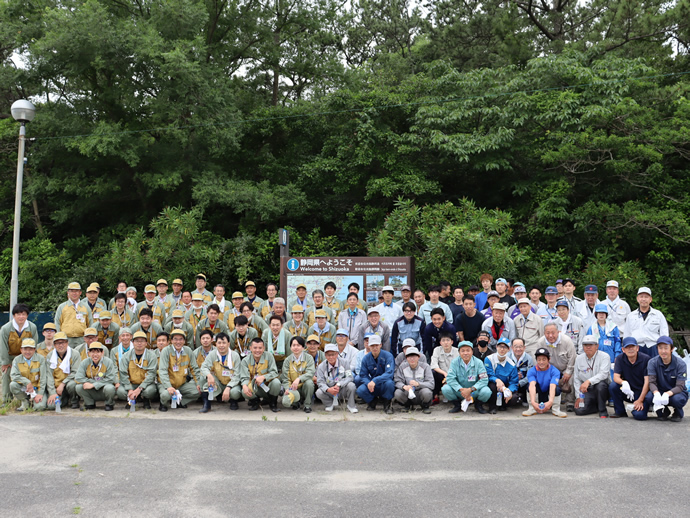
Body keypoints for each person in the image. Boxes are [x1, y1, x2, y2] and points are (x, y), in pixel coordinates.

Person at [1, 303, 40, 402]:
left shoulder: (32, 327)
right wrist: (5, 362)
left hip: (26, 356)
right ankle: (6, 400)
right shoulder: (6, 328)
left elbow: (35, 344)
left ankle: (28, 397)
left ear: (27, 315)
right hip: (10, 356)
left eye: (23, 314)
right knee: (6, 375)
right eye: (18, 314)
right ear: (14, 315)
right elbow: (3, 346)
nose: (21, 317)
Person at [644, 336, 688, 422]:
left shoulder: (680, 364)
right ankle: (663, 412)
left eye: (666, 348)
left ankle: (677, 412)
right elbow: (652, 382)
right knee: (649, 397)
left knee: (677, 399)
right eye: (660, 348)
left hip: (676, 392)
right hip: (660, 390)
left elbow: (680, 386)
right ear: (657, 349)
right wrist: (656, 393)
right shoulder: (652, 362)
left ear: (672, 349)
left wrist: (668, 394)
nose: (663, 351)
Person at [534, 323, 577, 412]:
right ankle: (548, 401)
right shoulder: (540, 342)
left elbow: (572, 357)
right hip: (550, 369)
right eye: (547, 333)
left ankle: (570, 402)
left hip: (565, 368)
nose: (550, 336)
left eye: (553, 333)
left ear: (558, 332)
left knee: (572, 376)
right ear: (544, 333)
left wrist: (568, 372)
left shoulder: (567, 341)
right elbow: (538, 360)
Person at [442, 340, 491, 414]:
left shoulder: (478, 362)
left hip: (474, 391)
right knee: (445, 389)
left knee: (486, 391)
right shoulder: (454, 362)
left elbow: (484, 379)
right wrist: (462, 390)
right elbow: (450, 378)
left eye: (468, 350)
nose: (465, 353)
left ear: (472, 351)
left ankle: (478, 405)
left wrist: (470, 390)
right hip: (460, 391)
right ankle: (457, 405)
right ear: (459, 352)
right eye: (463, 351)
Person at [157, 329, 201, 411]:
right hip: (167, 384)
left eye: (181, 339)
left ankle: (180, 401)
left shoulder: (188, 350)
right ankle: (163, 403)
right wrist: (168, 386)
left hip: (181, 384)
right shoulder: (166, 351)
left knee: (199, 390)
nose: (178, 342)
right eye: (175, 339)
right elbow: (162, 371)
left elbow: (194, 369)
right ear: (171, 341)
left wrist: (198, 383)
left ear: (184, 341)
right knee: (165, 395)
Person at [609, 337, 651, 420]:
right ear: (623, 349)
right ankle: (620, 411)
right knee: (613, 386)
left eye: (633, 346)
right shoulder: (620, 359)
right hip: (628, 391)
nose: (630, 349)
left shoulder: (646, 359)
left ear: (637, 348)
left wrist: (640, 400)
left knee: (639, 416)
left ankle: (638, 408)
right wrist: (624, 383)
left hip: (642, 392)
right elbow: (616, 377)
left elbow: (647, 382)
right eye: (627, 347)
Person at [199, 332, 243, 411]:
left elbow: (237, 375)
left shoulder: (235, 355)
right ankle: (207, 403)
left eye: (224, 343)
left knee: (235, 392)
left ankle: (233, 401)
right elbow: (204, 367)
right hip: (219, 382)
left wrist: (228, 387)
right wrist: (209, 376)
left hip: (232, 383)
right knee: (203, 377)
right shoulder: (212, 354)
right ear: (215, 344)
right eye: (219, 343)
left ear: (228, 344)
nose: (221, 345)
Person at [116, 330, 158, 409]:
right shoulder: (126, 356)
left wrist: (139, 389)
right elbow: (123, 373)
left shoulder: (151, 356)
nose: (139, 343)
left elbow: (151, 374)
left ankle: (146, 399)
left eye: (142, 341)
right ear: (133, 342)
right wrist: (129, 389)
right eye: (137, 341)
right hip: (131, 383)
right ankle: (132, 399)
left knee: (150, 391)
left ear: (146, 343)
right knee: (120, 392)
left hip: (146, 384)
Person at [355, 335, 395, 414]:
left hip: (384, 383)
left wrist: (375, 380)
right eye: (372, 345)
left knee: (390, 383)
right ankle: (372, 401)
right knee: (360, 390)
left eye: (376, 345)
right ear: (369, 346)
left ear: (381, 345)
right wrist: (368, 383)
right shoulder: (366, 358)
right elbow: (363, 375)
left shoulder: (388, 356)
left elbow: (389, 373)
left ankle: (387, 404)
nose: (374, 348)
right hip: (372, 384)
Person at [572, 335, 611, 418]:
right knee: (579, 410)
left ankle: (602, 410)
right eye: (586, 345)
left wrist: (588, 381)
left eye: (591, 345)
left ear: (597, 346)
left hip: (602, 389)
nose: (588, 347)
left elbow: (603, 374)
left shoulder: (605, 356)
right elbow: (576, 378)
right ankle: (594, 406)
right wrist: (579, 396)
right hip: (587, 390)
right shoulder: (579, 358)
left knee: (600, 386)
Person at [624, 287, 669, 357]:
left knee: (655, 367)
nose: (643, 299)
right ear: (637, 299)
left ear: (650, 299)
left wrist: (662, 348)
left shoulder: (658, 314)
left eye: (646, 297)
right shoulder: (631, 316)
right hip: (636, 347)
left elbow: (664, 333)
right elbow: (627, 335)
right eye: (641, 297)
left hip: (654, 347)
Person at [522, 347, 567, 418]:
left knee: (557, 389)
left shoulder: (555, 371)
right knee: (529, 386)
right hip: (538, 395)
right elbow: (532, 385)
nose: (541, 362)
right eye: (539, 360)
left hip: (549, 395)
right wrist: (533, 402)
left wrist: (550, 402)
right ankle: (532, 408)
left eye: (544, 359)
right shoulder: (531, 371)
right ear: (536, 360)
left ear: (549, 359)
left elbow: (552, 386)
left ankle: (556, 410)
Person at [239, 337, 281, 412]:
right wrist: (244, 385)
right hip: (255, 387)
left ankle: (273, 402)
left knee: (276, 382)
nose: (257, 350)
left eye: (260, 348)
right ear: (250, 348)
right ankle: (255, 401)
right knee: (244, 390)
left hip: (268, 386)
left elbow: (274, 372)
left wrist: (264, 377)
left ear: (264, 348)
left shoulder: (269, 356)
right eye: (255, 348)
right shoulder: (245, 361)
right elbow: (244, 377)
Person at [75, 341, 117, 411]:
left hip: (103, 389)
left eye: (98, 352)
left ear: (102, 353)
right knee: (78, 387)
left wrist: (94, 384)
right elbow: (78, 377)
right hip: (91, 390)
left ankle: (109, 403)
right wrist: (90, 382)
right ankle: (89, 403)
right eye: (92, 352)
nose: (95, 355)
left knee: (110, 388)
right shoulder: (84, 362)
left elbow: (111, 379)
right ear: (89, 353)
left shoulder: (108, 362)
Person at [316, 343, 358, 413]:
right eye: (328, 355)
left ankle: (351, 405)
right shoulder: (321, 366)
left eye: (333, 354)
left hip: (342, 388)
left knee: (351, 385)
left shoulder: (345, 362)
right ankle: (329, 404)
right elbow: (320, 382)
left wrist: (339, 384)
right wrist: (328, 389)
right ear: (325, 356)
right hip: (330, 390)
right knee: (319, 392)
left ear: (337, 354)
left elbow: (350, 377)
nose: (331, 357)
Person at [9, 339, 49, 411]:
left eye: (30, 349)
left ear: (34, 350)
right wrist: (27, 382)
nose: (27, 352)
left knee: (39, 407)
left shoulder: (41, 359)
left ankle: (35, 401)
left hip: (37, 388)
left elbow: (43, 378)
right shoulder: (16, 360)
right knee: (13, 385)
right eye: (25, 349)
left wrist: (40, 393)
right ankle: (25, 401)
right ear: (21, 350)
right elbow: (14, 375)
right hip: (24, 387)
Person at [45, 332, 81, 410]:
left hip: (68, 383)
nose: (61, 345)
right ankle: (64, 399)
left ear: (67, 343)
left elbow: (76, 372)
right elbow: (49, 375)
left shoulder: (75, 354)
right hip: (56, 386)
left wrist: (63, 383)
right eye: (58, 343)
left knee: (72, 385)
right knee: (51, 406)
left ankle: (74, 400)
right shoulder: (50, 356)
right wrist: (52, 393)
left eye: (63, 342)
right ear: (54, 345)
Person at [280, 336, 316, 412]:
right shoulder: (287, 360)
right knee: (286, 402)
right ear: (290, 347)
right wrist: (287, 389)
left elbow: (310, 372)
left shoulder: (308, 358)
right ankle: (296, 403)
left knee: (309, 383)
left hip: (304, 387)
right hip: (293, 388)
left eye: (298, 345)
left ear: (303, 347)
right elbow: (285, 378)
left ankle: (307, 405)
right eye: (293, 345)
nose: (296, 347)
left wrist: (299, 379)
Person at [484, 337, 520, 413]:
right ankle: (492, 407)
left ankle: (503, 405)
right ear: (496, 347)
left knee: (514, 397)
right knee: (492, 387)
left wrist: (509, 390)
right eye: (500, 346)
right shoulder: (489, 359)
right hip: (493, 384)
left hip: (505, 386)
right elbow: (488, 374)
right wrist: (497, 380)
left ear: (509, 349)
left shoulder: (512, 364)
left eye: (505, 347)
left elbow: (514, 382)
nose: (502, 349)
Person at [394, 346, 434, 413]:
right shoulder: (402, 366)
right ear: (406, 358)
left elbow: (431, 384)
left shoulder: (425, 366)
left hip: (421, 392)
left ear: (418, 357)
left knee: (427, 392)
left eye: (414, 356)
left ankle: (425, 406)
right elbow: (397, 381)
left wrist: (419, 384)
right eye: (409, 357)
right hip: (408, 392)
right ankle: (407, 406)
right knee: (398, 393)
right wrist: (404, 386)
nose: (412, 359)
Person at [55, 282, 93, 348]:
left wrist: (89, 338)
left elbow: (90, 323)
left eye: (76, 291)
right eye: (72, 291)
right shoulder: (62, 307)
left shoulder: (86, 307)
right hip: (66, 339)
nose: (74, 293)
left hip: (82, 339)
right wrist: (60, 338)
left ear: (80, 293)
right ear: (68, 293)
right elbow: (57, 323)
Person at [429, 332, 459, 404]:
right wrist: (444, 373)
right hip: (442, 375)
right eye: (443, 340)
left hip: (454, 376)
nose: (446, 342)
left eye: (448, 340)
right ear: (440, 342)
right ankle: (435, 396)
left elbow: (459, 367)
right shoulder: (437, 350)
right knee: (432, 373)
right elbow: (433, 365)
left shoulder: (457, 351)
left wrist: (449, 377)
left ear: (452, 342)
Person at [508, 337, 534, 406]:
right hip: (510, 382)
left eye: (520, 346)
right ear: (512, 348)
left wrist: (519, 383)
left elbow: (530, 375)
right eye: (516, 347)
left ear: (524, 347)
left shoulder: (529, 358)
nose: (518, 349)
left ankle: (526, 399)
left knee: (531, 383)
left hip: (523, 382)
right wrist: (513, 380)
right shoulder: (507, 357)